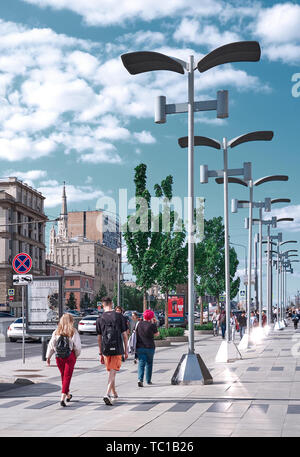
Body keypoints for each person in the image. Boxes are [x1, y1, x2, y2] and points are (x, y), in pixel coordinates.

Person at [96, 297, 128, 406]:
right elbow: (124, 335)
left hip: (105, 349)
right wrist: (126, 350)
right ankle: (107, 394)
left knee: (111, 372)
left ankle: (114, 392)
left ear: (103, 305)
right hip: (117, 347)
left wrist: (100, 352)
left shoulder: (100, 319)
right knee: (113, 372)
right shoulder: (120, 317)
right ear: (112, 304)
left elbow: (99, 338)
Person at [46, 313, 81, 407]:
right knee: (67, 377)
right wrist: (76, 355)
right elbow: (77, 347)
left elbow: (51, 345)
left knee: (63, 376)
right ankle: (62, 398)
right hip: (70, 356)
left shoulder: (56, 331)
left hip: (59, 356)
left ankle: (68, 394)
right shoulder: (73, 331)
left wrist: (48, 356)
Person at [136, 309, 159, 387]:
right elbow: (157, 334)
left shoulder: (139, 324)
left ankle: (140, 379)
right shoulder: (152, 325)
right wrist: (154, 323)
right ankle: (148, 380)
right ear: (151, 317)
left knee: (141, 363)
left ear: (144, 316)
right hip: (150, 347)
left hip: (140, 347)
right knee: (149, 363)